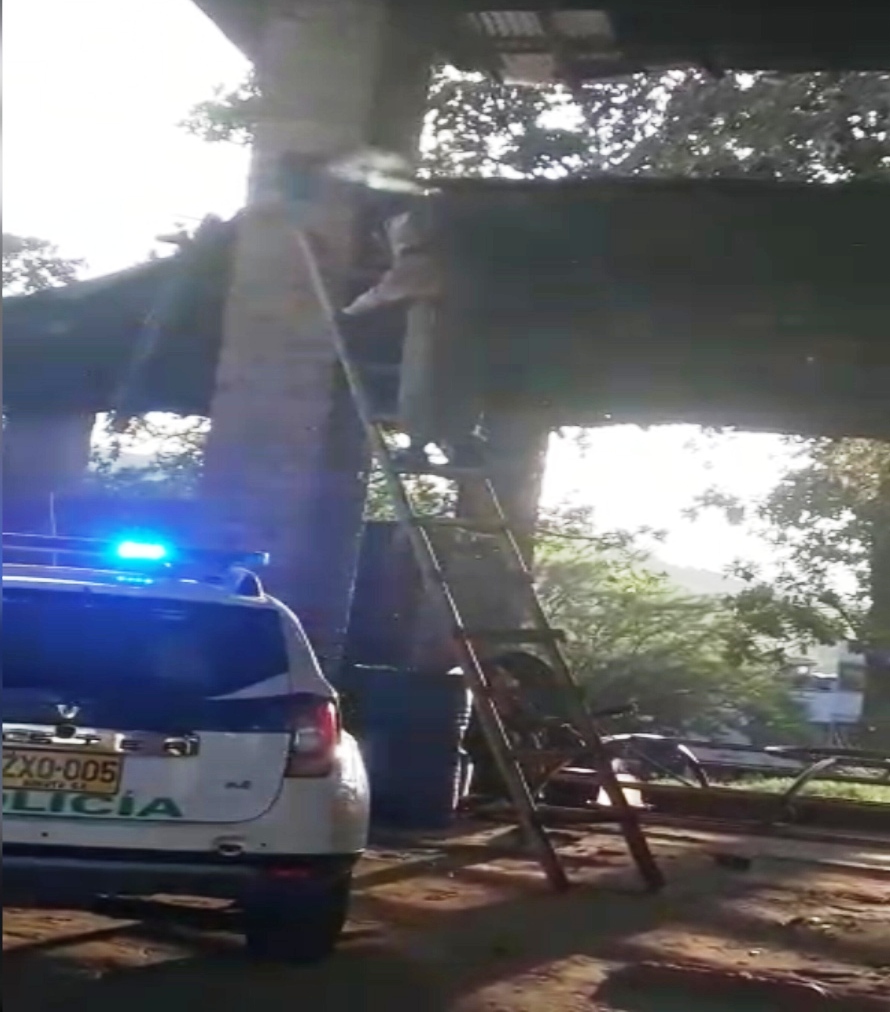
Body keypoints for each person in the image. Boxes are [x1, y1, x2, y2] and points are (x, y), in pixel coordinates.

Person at [343, 211, 486, 470]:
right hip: (468, 320)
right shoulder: (455, 252)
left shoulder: (416, 253)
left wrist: (349, 312)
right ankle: (461, 446)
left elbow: (388, 289)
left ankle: (418, 448)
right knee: (458, 383)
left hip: (432, 317)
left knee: (420, 380)